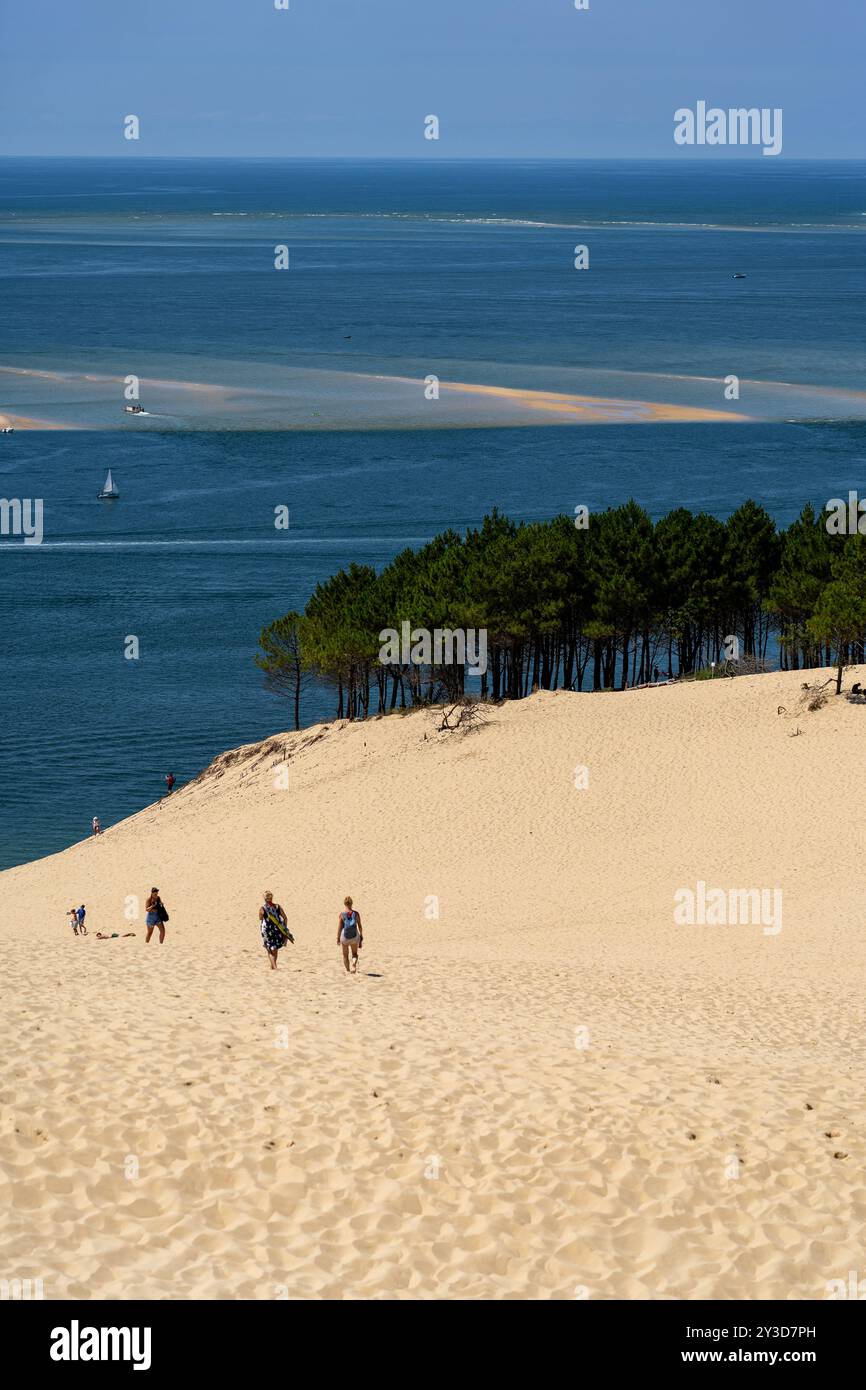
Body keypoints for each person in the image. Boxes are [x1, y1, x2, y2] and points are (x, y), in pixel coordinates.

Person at [259, 891, 293, 970]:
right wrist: (284, 927)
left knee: (270, 949)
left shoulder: (262, 908)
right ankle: (274, 967)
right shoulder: (277, 907)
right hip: (277, 929)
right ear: (272, 898)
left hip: (267, 930)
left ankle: (273, 967)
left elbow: (260, 918)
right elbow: (285, 918)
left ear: (264, 899)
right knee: (274, 949)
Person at [337, 895, 363, 973]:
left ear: (344, 904)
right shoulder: (356, 914)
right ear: (352, 903)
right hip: (354, 936)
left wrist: (338, 938)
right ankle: (354, 964)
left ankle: (348, 971)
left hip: (345, 937)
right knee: (354, 954)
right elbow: (360, 926)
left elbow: (339, 928)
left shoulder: (342, 914)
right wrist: (361, 936)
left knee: (345, 955)